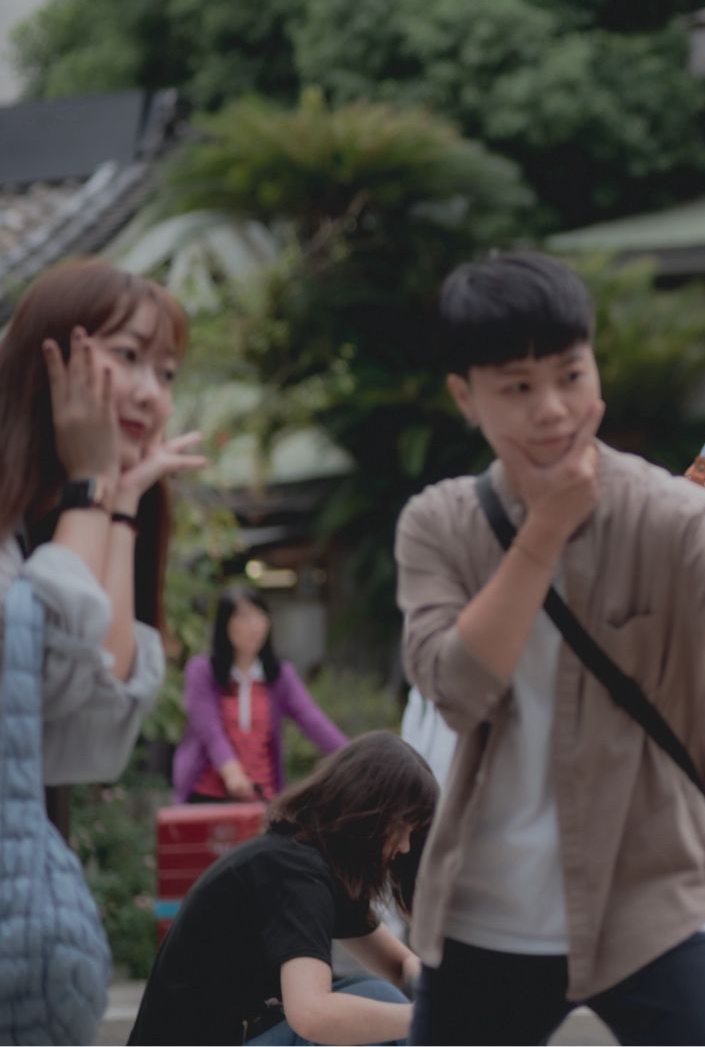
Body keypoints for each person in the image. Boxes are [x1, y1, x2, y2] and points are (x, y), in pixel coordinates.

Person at [395, 251, 705, 1045]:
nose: (552, 408)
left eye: (570, 375)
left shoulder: (668, 509)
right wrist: (543, 533)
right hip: (489, 908)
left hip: (659, 896)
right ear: (465, 397)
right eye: (517, 387)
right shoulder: (440, 523)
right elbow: (456, 688)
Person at [0, 260, 203, 792]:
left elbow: (88, 743)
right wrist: (91, 485)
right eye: (129, 356)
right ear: (51, 359)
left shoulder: (62, 515)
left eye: (166, 374)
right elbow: (30, 677)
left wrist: (120, 501)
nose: (151, 395)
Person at [130, 731, 437, 1045]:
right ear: (368, 812)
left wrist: (448, 999)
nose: (404, 846)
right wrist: (428, 1017)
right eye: (402, 828)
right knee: (379, 1003)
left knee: (385, 1000)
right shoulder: (296, 874)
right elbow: (313, 1016)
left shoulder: (312, 863)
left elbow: (401, 965)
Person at [175, 584, 349, 803]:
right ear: (224, 624)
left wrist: (354, 757)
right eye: (244, 617)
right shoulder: (202, 672)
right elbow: (209, 731)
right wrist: (232, 773)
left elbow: (314, 721)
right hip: (206, 796)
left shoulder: (280, 676)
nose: (254, 626)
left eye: (260, 616)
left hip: (261, 797)